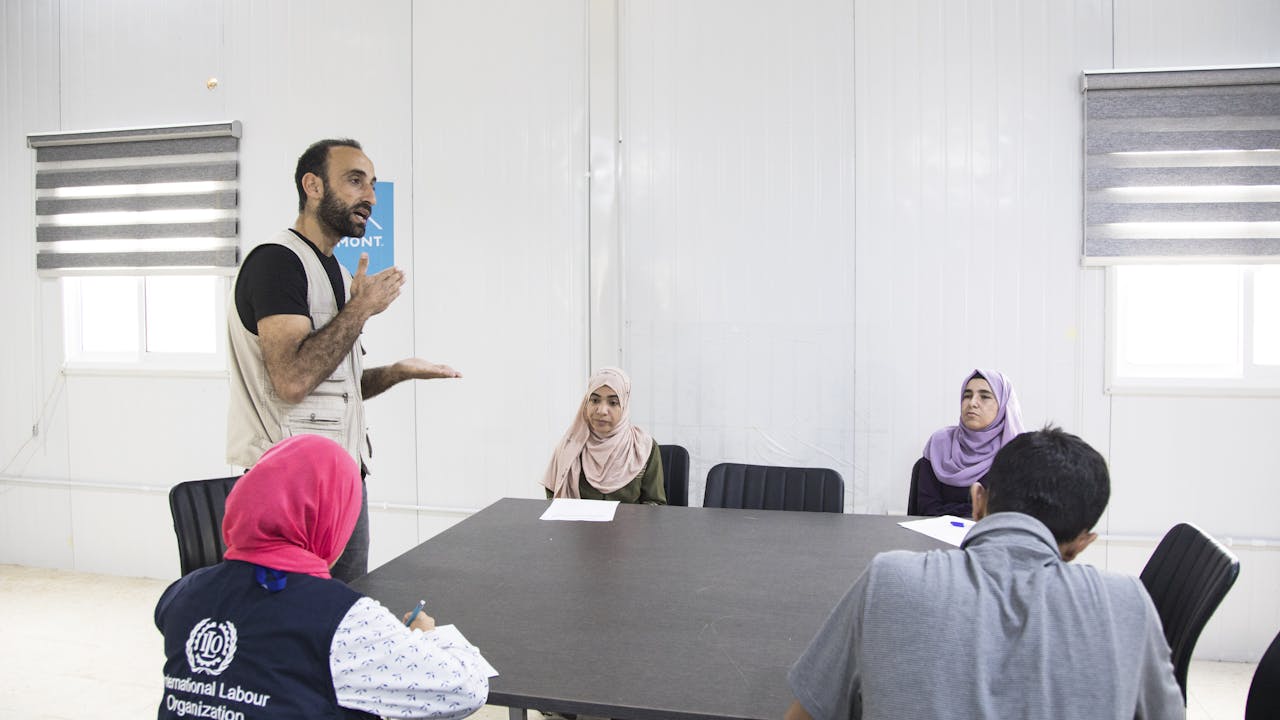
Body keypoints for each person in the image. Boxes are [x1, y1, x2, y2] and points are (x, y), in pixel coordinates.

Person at [785, 426, 1183, 720]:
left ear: (977, 502)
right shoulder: (1127, 604)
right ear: (1082, 542)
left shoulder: (890, 581)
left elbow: (805, 715)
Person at [227, 138, 461, 582]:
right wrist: (361, 310)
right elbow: (292, 381)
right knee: (302, 623)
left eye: (372, 184)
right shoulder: (277, 263)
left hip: (340, 480)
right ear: (312, 185)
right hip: (292, 490)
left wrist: (396, 373)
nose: (370, 197)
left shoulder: (331, 268)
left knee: (344, 617)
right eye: (355, 181)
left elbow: (329, 384)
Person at [156, 434, 490, 720]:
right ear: (334, 515)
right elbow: (465, 690)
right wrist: (426, 636)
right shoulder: (345, 620)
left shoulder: (181, 594)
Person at [541, 367, 665, 504]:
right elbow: (553, 497)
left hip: (628, 524)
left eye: (613, 403)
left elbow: (654, 505)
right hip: (579, 525)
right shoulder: (570, 446)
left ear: (624, 406)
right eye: (594, 400)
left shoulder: (643, 448)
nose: (601, 411)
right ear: (586, 403)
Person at [913, 368, 1023, 517]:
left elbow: (1007, 514)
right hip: (938, 536)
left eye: (984, 397)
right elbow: (927, 509)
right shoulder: (940, 444)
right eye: (967, 395)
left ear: (1004, 406)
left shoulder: (1016, 454)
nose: (972, 403)